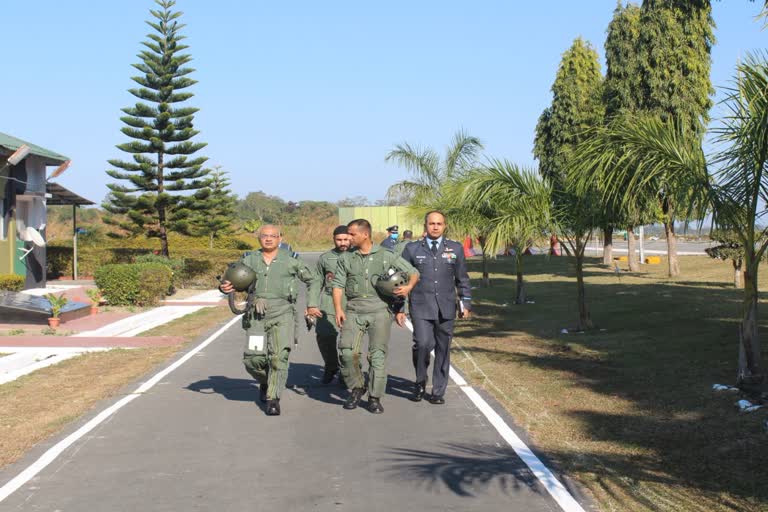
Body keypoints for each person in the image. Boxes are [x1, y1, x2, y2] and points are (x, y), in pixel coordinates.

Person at [220, 225, 321, 416]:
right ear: (258, 238)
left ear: (280, 238)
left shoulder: (291, 260)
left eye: (273, 236)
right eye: (264, 236)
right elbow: (231, 281)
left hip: (283, 314)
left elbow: (313, 279)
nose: (268, 239)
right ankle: (266, 381)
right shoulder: (248, 260)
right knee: (253, 359)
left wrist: (312, 304)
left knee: (278, 357)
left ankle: (273, 398)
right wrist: (224, 287)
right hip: (256, 315)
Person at [332, 219, 419, 414]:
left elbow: (413, 272)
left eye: (352, 234)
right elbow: (337, 285)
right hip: (353, 310)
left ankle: (374, 397)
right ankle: (357, 386)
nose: (348, 238)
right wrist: (338, 309)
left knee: (377, 356)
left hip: (380, 310)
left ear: (365, 235)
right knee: (347, 353)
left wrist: (408, 287)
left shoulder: (386, 256)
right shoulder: (346, 258)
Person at [400, 211, 472, 404]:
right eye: (431, 223)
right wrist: (399, 308)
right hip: (421, 306)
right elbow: (401, 279)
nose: (435, 227)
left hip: (446, 307)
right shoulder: (412, 249)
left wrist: (465, 303)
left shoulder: (455, 249)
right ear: (425, 225)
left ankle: (438, 391)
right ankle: (420, 381)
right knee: (422, 344)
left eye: (439, 223)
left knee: (443, 348)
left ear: (444, 226)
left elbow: (462, 278)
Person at [313, 225, 351, 384]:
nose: (343, 243)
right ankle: (331, 365)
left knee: (347, 342)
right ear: (334, 240)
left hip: (351, 301)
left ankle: (346, 372)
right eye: (339, 240)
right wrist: (311, 304)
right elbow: (316, 282)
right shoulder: (325, 258)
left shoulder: (358, 255)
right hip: (329, 301)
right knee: (323, 335)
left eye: (346, 239)